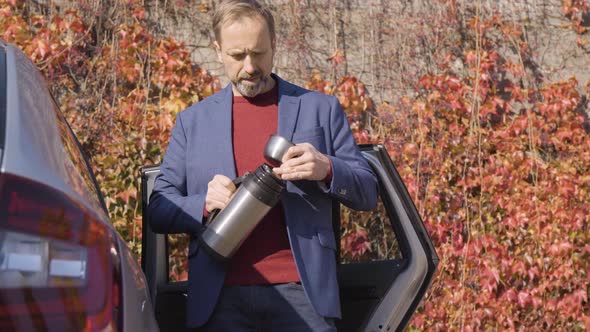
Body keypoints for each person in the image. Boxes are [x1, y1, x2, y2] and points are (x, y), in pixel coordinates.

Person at [147, 0, 378, 331]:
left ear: (274, 44)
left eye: (259, 53)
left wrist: (326, 168)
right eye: (237, 55)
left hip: (304, 294)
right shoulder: (192, 122)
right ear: (217, 50)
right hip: (220, 298)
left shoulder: (320, 109)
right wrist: (203, 203)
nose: (250, 66)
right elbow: (158, 208)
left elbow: (367, 192)